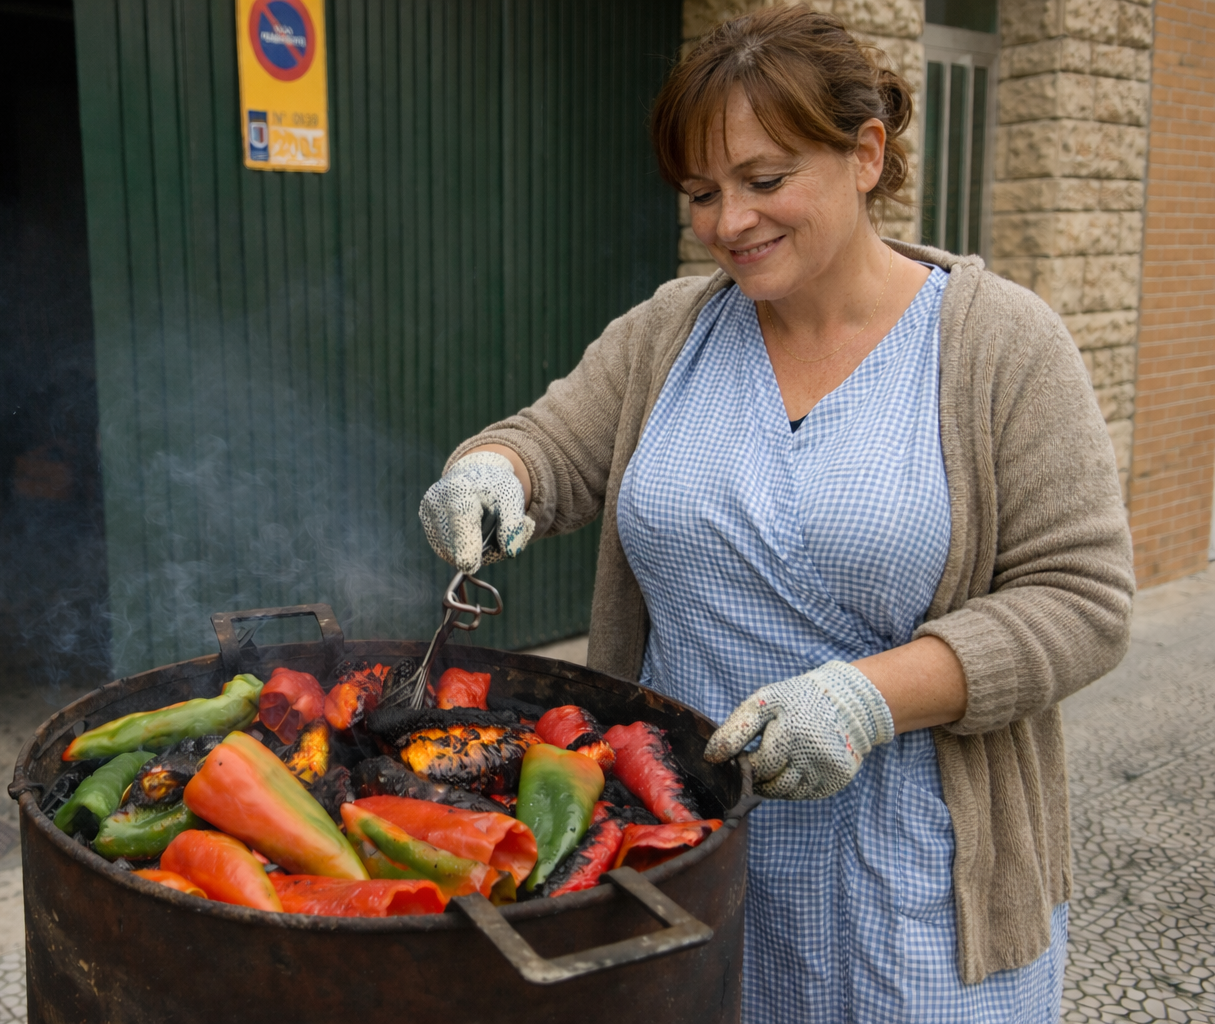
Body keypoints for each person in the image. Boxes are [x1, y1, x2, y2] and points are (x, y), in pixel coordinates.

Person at [417, 6, 1134, 1021]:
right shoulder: (672, 330)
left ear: (866, 154)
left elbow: (1085, 599)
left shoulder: (1002, 346)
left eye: (764, 181)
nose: (728, 223)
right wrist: (491, 470)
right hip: (695, 844)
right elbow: (548, 443)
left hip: (924, 868)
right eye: (702, 193)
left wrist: (869, 697)